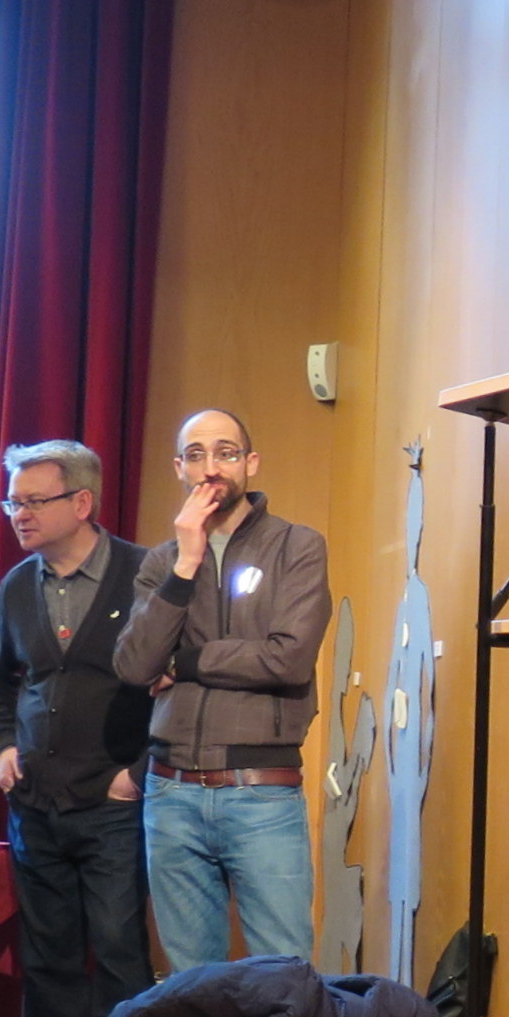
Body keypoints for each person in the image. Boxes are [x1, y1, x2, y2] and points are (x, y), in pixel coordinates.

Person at [113, 410, 331, 970]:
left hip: (260, 791)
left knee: (282, 972)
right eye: (196, 455)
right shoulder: (162, 562)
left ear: (250, 463)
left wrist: (184, 662)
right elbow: (134, 665)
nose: (211, 467)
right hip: (171, 793)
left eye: (226, 452)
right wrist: (186, 563)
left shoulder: (297, 546)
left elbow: (287, 658)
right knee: (191, 981)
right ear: (179, 469)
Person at [0, 440, 157, 1017]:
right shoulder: (19, 584)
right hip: (35, 802)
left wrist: (138, 774)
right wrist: (2, 745)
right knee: (47, 958)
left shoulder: (145, 575)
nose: (19, 515)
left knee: (119, 949)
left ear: (81, 503)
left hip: (114, 801)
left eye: (33, 501)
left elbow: (179, 684)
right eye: (13, 503)